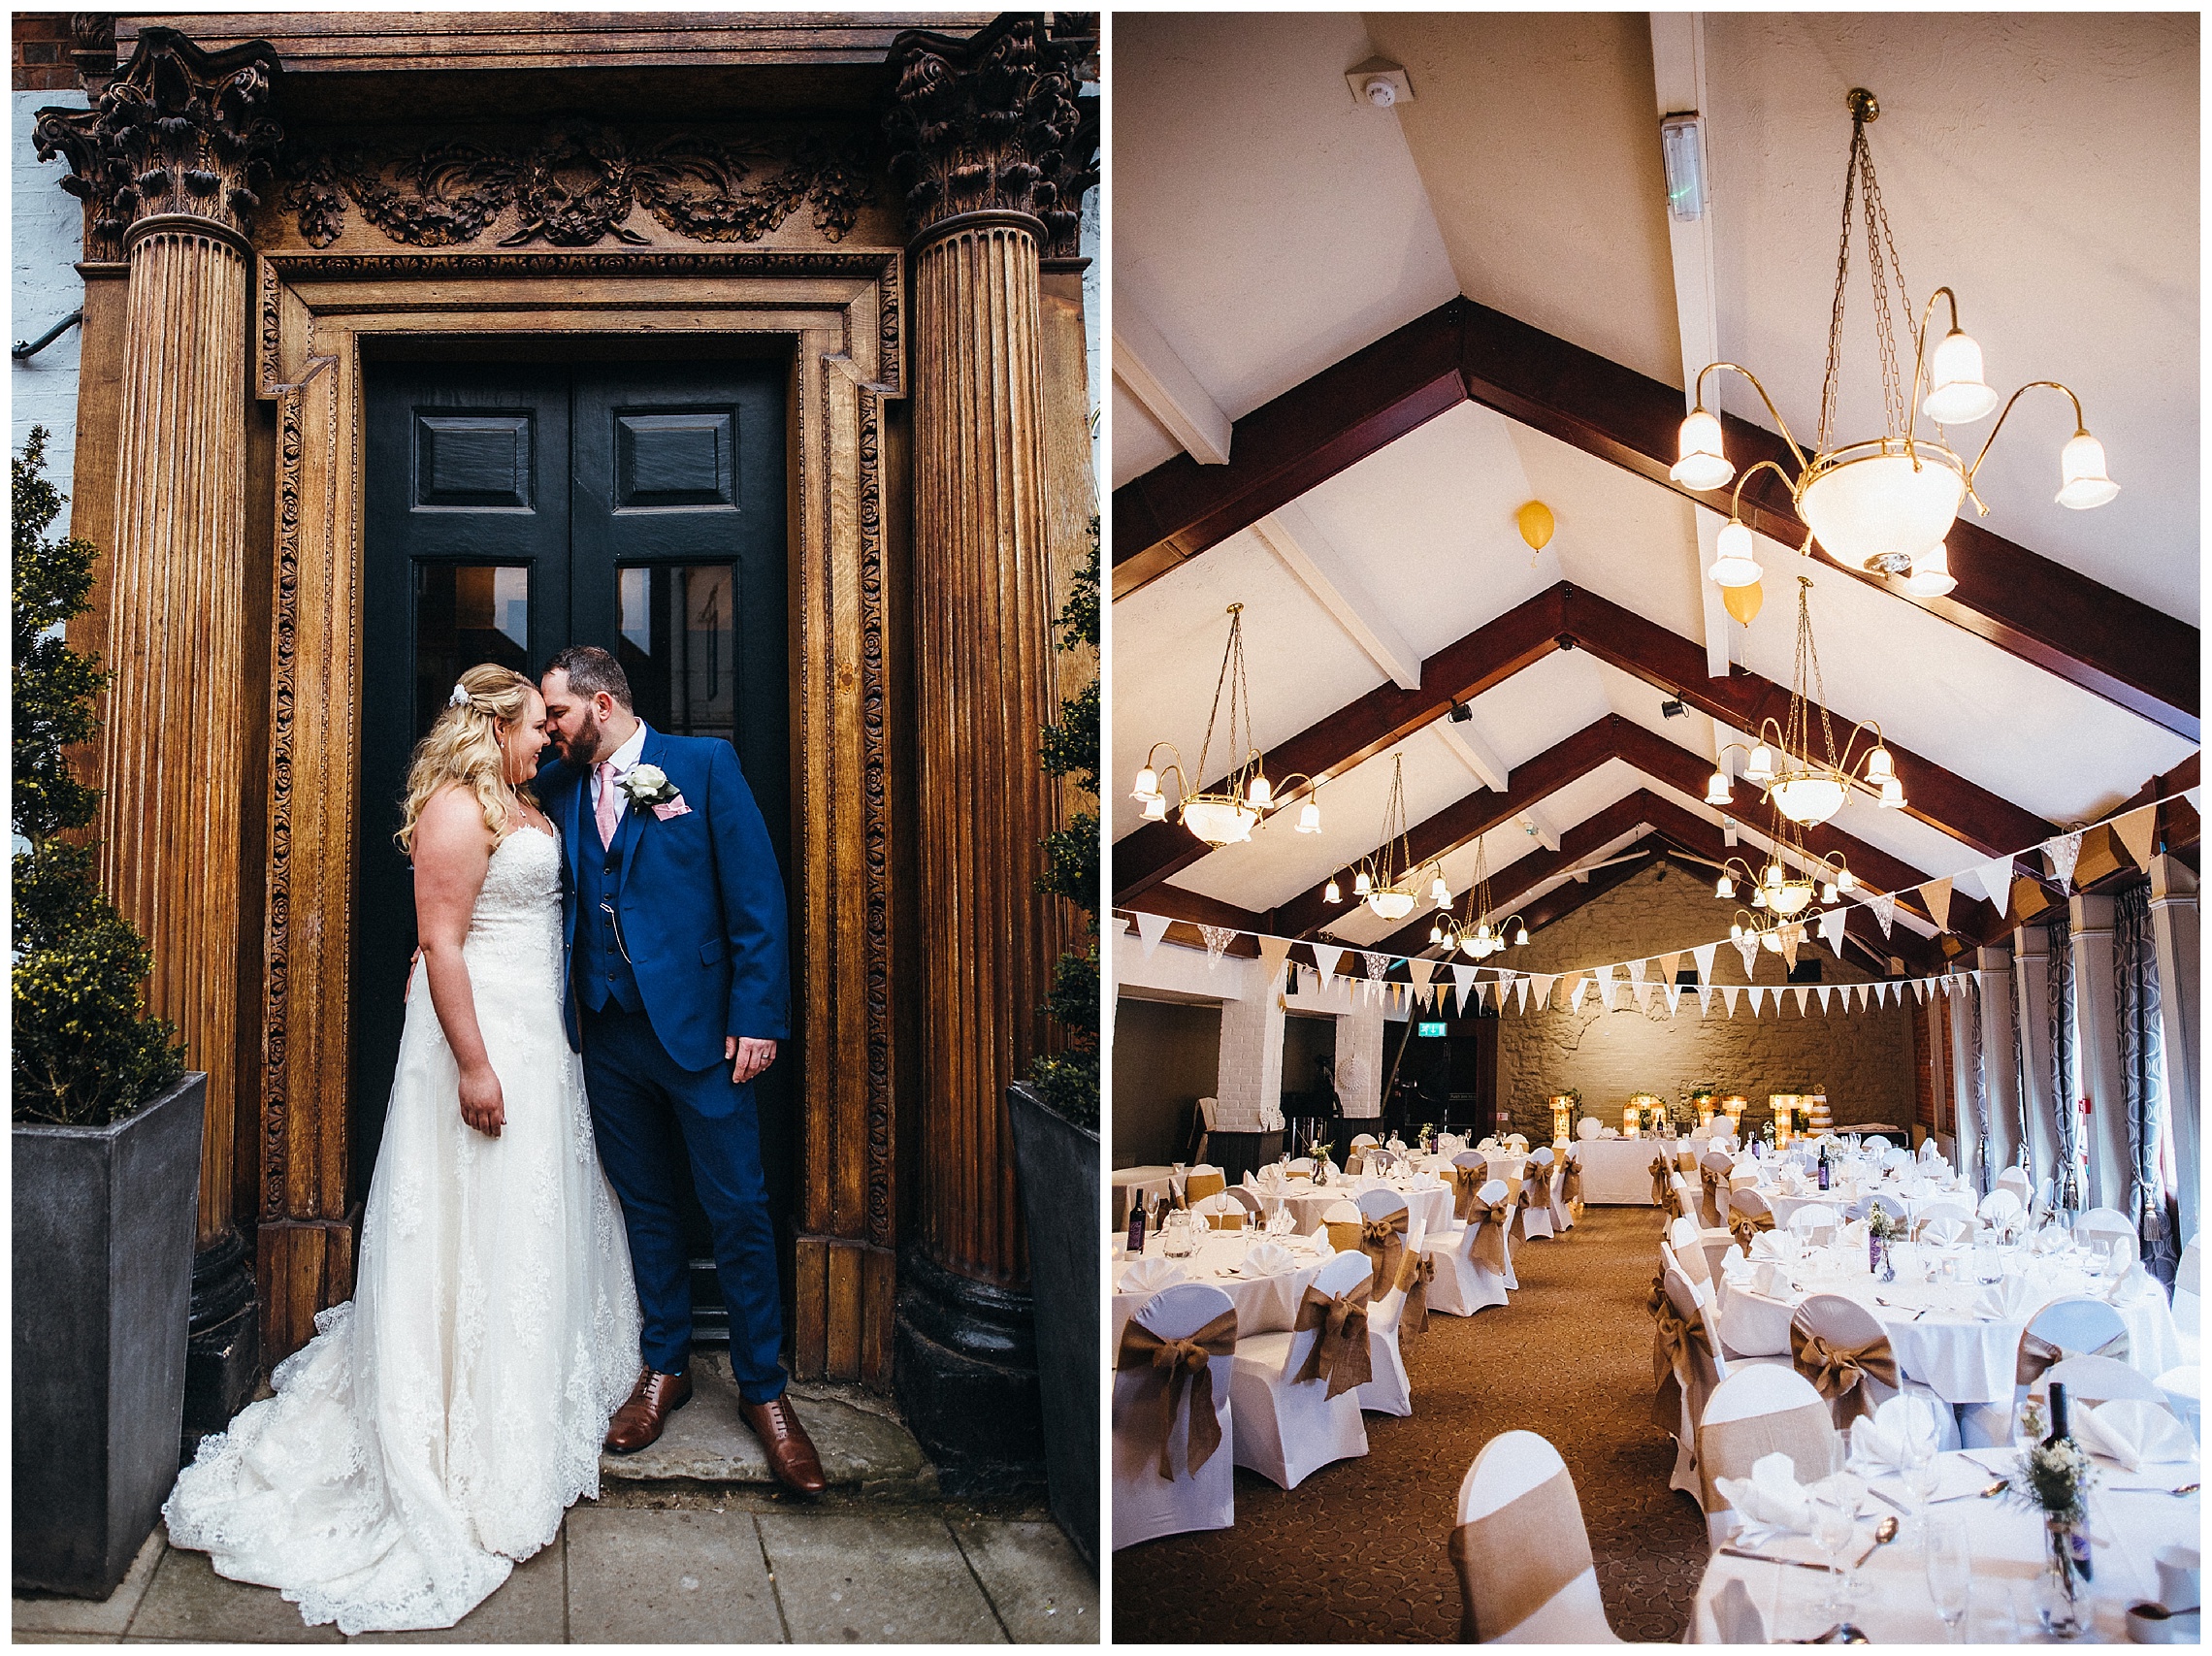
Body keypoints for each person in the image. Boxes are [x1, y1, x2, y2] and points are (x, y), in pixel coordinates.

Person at [164, 665, 641, 1634]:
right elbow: (444, 944)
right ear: (494, 726)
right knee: (470, 1224)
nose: (548, 738)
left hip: (537, 1044)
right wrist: (473, 1065)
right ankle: (460, 1439)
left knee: (526, 1222)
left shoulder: (520, 801)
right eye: (532, 727)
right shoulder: (456, 815)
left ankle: (523, 1409)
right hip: (481, 1041)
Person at [534, 646, 823, 1494]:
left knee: (738, 1209)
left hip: (704, 1037)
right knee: (648, 1204)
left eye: (557, 713)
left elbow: (757, 899)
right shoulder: (554, 786)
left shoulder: (701, 764)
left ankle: (764, 1392)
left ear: (602, 702)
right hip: (609, 1036)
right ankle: (665, 1366)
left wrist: (758, 1017)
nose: (549, 729)